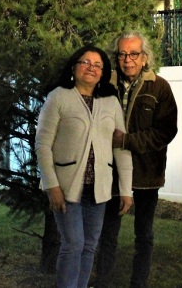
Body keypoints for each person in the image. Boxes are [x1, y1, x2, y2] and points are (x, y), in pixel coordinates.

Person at [36, 45, 134, 288]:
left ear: (103, 73)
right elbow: (42, 144)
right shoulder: (58, 97)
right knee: (73, 244)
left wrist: (126, 190)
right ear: (74, 67)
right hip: (66, 188)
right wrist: (52, 185)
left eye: (97, 65)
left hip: (98, 189)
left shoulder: (110, 103)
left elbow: (120, 148)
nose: (91, 68)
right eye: (86, 62)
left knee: (90, 245)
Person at [94, 31, 178, 288]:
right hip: (111, 173)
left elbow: (165, 131)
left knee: (144, 236)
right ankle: (103, 283)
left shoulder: (160, 87)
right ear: (116, 57)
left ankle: (138, 284)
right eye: (122, 54)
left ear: (144, 58)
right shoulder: (104, 85)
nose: (127, 59)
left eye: (134, 54)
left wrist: (127, 141)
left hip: (146, 174)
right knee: (107, 235)